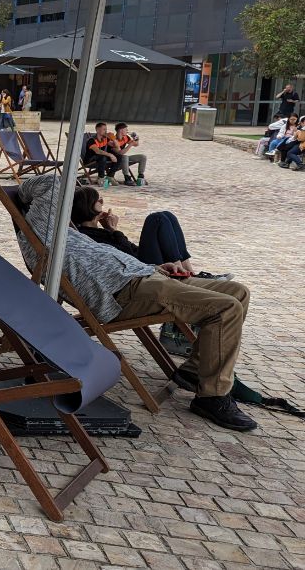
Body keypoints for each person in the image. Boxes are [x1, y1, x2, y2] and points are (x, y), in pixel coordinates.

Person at [17, 173, 256, 431]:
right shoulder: (41, 231)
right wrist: (27, 193)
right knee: (225, 308)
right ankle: (213, 396)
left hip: (147, 276)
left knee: (237, 292)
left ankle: (196, 370)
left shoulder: (68, 232)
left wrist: (153, 266)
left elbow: (110, 254)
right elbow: (54, 182)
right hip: (125, 293)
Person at [71, 186, 232, 279]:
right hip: (139, 270)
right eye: (98, 201)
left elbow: (130, 249)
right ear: (87, 207)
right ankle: (184, 277)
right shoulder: (87, 236)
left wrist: (110, 230)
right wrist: (113, 230)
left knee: (167, 216)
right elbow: (124, 255)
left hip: (139, 262)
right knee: (156, 220)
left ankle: (190, 271)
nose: (102, 203)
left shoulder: (94, 231)